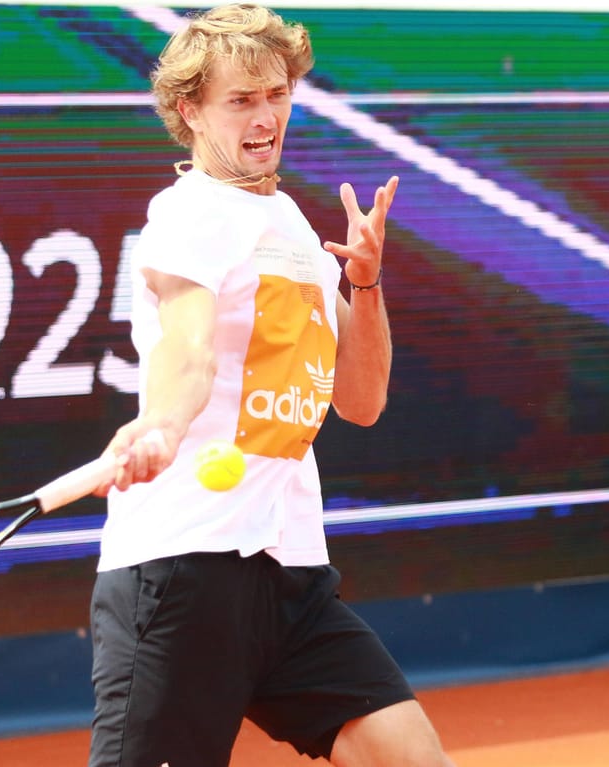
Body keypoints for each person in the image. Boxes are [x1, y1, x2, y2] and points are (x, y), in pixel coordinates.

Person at [90, 4, 454, 766]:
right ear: (189, 110)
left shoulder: (292, 226)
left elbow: (361, 400)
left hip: (289, 573)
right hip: (183, 570)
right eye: (241, 99)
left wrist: (365, 282)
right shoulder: (187, 217)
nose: (266, 116)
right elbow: (188, 350)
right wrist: (161, 423)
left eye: (278, 94)